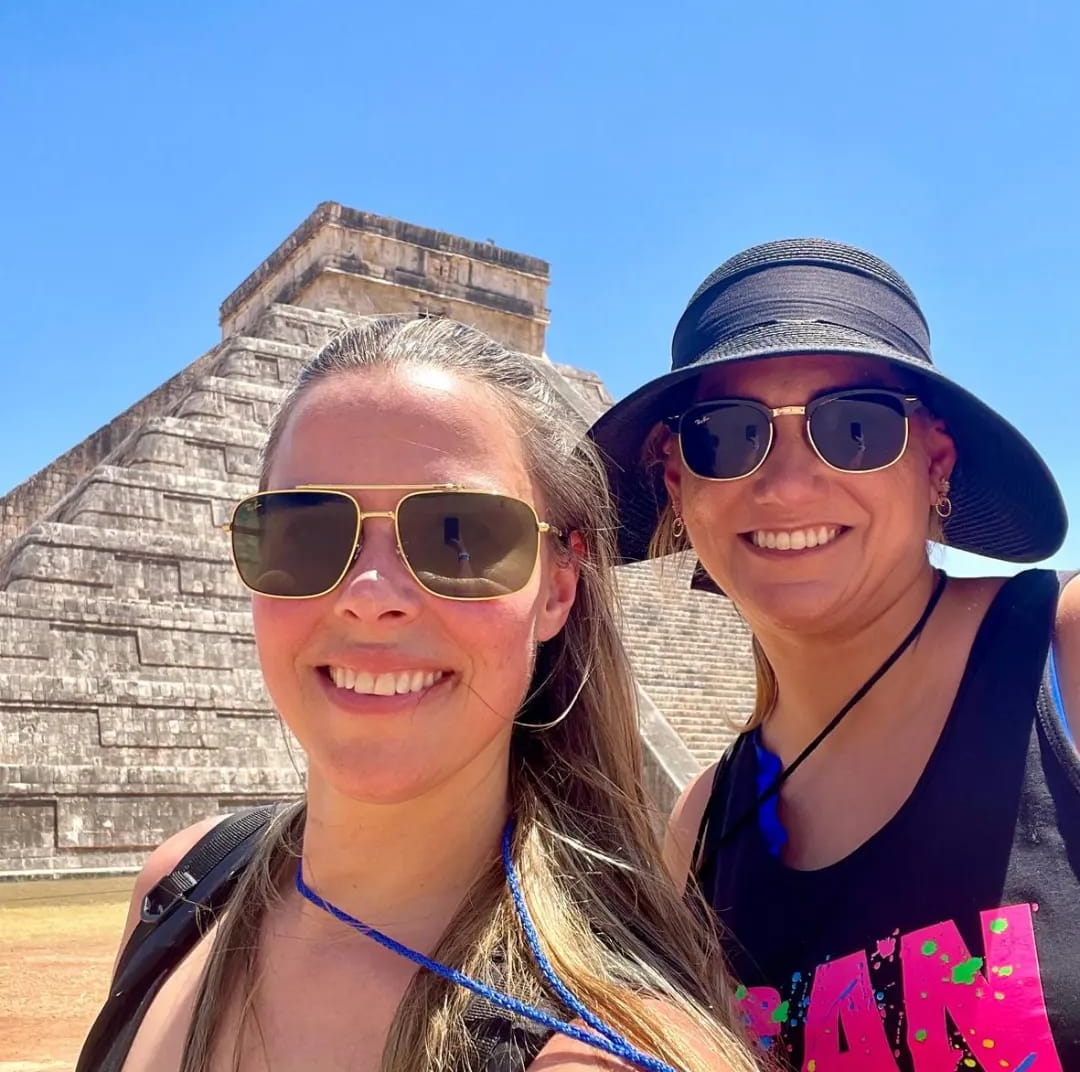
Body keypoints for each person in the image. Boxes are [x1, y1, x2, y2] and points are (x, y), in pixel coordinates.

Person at [78, 317, 760, 1072]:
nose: (370, 595)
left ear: (558, 585)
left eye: (458, 533)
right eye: (305, 530)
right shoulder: (183, 886)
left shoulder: (595, 1055)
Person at [589, 240, 1079, 1069]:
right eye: (727, 436)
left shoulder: (1063, 656)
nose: (786, 485)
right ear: (678, 485)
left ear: (936, 462)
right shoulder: (703, 830)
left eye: (854, 428)